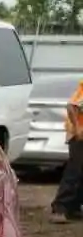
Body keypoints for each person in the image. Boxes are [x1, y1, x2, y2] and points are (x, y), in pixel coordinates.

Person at [49, 77, 83, 222]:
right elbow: (71, 106)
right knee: (75, 170)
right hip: (79, 134)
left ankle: (73, 207)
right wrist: (78, 129)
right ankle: (60, 207)